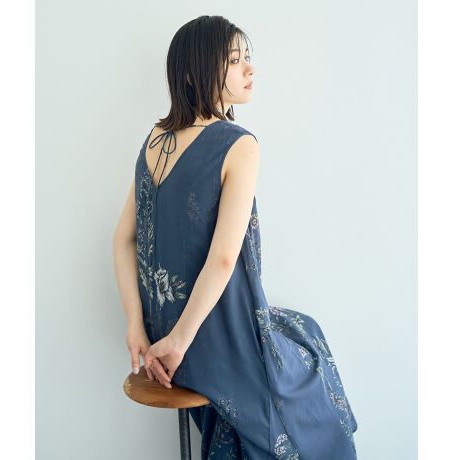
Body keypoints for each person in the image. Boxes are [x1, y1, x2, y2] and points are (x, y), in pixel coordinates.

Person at [113, 15, 358, 459]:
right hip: (204, 341)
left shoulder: (155, 139)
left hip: (159, 338)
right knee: (309, 348)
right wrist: (180, 343)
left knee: (299, 328)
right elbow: (224, 259)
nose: (249, 69)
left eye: (248, 58)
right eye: (233, 60)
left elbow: (122, 239)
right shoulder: (238, 143)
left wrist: (136, 327)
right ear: (196, 72)